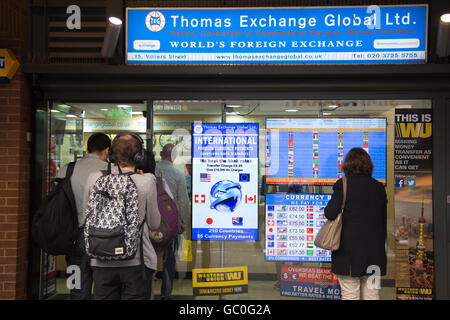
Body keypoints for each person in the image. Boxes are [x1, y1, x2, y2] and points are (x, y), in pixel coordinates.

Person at [83, 133, 161, 300]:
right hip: (135, 261)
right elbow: (155, 224)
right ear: (139, 156)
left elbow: (86, 216)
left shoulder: (94, 178)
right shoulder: (146, 182)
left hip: (100, 260)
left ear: (111, 155)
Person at [324, 147, 387, 300]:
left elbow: (330, 213)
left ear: (347, 165)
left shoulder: (343, 185)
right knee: (372, 294)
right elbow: (382, 219)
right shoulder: (378, 187)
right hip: (374, 254)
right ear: (368, 165)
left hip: (349, 255)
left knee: (350, 294)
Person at [56, 132, 111, 300]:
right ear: (107, 151)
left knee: (77, 284)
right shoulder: (112, 171)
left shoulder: (66, 169)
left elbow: (57, 203)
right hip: (104, 237)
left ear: (87, 149)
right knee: (105, 287)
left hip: (73, 236)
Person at [155, 143, 190, 300]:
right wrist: (183, 223)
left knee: (150, 256)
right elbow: (183, 201)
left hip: (152, 222)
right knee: (169, 260)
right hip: (171, 224)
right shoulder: (178, 175)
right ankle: (166, 292)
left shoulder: (151, 171)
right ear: (174, 157)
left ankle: (147, 289)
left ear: (161, 153)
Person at [138, 150, 174, 300]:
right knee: (150, 273)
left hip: (136, 240)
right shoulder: (159, 182)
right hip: (157, 236)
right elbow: (171, 206)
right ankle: (161, 293)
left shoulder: (133, 181)